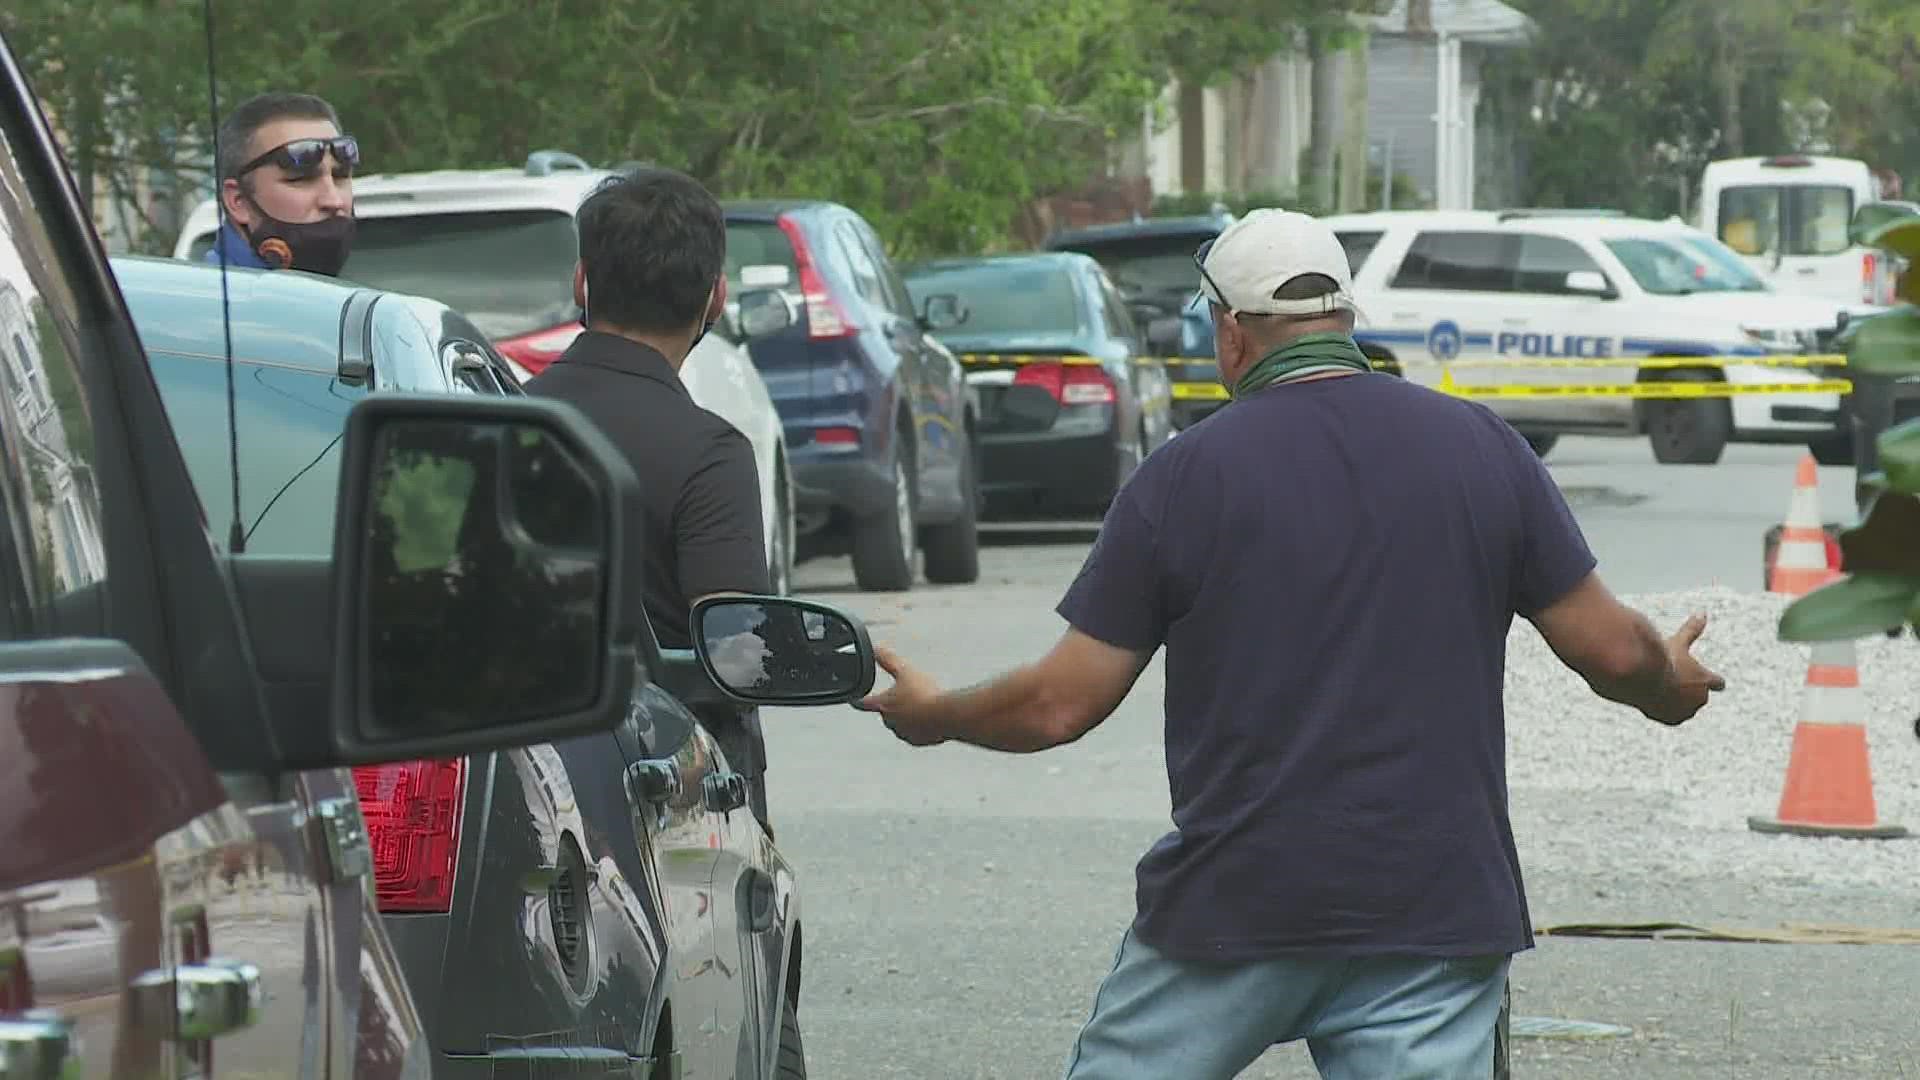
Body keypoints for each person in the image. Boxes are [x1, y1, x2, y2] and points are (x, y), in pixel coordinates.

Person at [855, 208, 1726, 1078]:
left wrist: (937, 713)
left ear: (1232, 334)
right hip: (1432, 911)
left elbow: (1058, 704)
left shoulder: (1185, 477)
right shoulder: (1482, 447)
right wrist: (1668, 682)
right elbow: (1615, 653)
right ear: (1343, 318)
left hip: (1236, 907)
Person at [522, 167, 777, 833]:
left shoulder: (502, 425)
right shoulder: (710, 453)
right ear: (716, 298)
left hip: (520, 780)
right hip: (671, 792)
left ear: (582, 283)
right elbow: (738, 655)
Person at [205, 92, 357, 276]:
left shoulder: (336, 297)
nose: (334, 201)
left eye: (340, 176)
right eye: (301, 179)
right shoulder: (202, 301)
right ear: (239, 201)